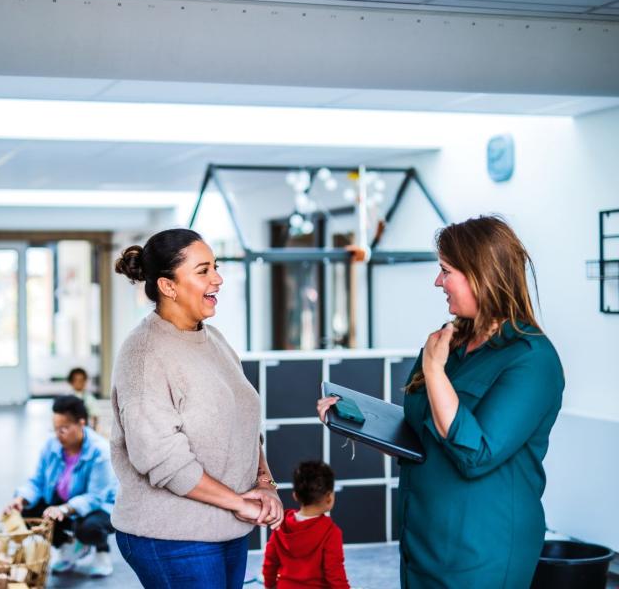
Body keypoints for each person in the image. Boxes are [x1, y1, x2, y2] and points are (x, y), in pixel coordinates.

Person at [318, 215, 565, 588]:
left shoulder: (531, 359)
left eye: (446, 271)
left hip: (481, 550)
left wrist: (434, 371)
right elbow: (422, 431)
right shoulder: (447, 342)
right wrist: (356, 422)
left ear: (481, 274)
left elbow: (475, 455)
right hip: (422, 542)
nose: (438, 282)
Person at [111, 228, 284, 589]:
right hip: (172, 536)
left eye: (215, 267)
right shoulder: (144, 354)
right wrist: (239, 501)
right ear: (168, 286)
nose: (218, 279)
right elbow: (161, 460)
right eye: (203, 270)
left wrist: (264, 484)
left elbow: (244, 426)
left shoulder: (213, 338)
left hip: (228, 527)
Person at [5, 395, 117, 576]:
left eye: (64, 428)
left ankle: (101, 551)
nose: (59, 434)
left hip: (101, 507)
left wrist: (65, 509)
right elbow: (38, 481)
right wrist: (21, 499)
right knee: (28, 512)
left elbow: (96, 497)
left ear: (81, 424)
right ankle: (70, 547)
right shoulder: (51, 445)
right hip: (66, 503)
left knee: (89, 527)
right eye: (56, 428)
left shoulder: (100, 451)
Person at [262, 461, 350, 589]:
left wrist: (270, 586)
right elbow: (335, 575)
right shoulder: (331, 532)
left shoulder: (280, 524)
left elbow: (270, 564)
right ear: (329, 497)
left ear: (295, 496)